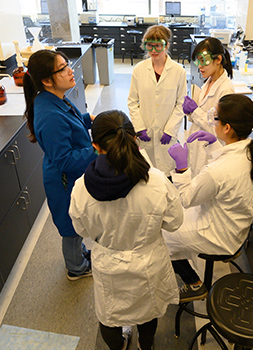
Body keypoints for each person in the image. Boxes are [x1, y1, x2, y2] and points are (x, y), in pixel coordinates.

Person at [69, 110, 183, 350]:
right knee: (148, 310)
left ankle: (118, 346)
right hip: (148, 263)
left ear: (96, 146)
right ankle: (145, 345)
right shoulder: (157, 181)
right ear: (134, 140)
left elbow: (81, 229)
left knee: (110, 315)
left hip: (109, 265)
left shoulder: (81, 188)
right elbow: (174, 222)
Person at [164, 94, 253, 303]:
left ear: (228, 127)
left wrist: (181, 167)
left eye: (215, 117)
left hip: (218, 234)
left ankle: (194, 283)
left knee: (159, 235)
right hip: (232, 225)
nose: (212, 120)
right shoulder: (252, 150)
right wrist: (214, 144)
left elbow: (186, 198)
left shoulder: (218, 171)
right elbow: (227, 173)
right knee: (172, 218)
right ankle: (192, 273)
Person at [23, 49, 97, 280]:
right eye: (62, 69)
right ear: (46, 80)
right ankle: (76, 268)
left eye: (68, 64)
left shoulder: (54, 99)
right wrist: (96, 150)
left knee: (75, 221)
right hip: (64, 179)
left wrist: (88, 120)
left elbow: (70, 124)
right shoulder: (50, 114)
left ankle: (81, 255)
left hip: (69, 174)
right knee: (70, 227)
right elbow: (65, 159)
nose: (70, 71)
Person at [127, 24, 187, 177]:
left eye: (158, 46)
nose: (153, 51)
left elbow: (181, 103)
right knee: (147, 174)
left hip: (166, 134)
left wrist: (170, 130)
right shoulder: (139, 70)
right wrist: (139, 127)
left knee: (167, 175)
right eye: (149, 46)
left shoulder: (178, 71)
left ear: (166, 45)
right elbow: (132, 101)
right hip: (145, 131)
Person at [182, 37, 235, 177]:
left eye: (203, 60)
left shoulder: (226, 90)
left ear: (218, 59)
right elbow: (202, 116)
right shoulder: (209, 81)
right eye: (197, 61)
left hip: (210, 153)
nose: (199, 66)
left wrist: (195, 111)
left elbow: (221, 130)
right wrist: (190, 112)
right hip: (198, 148)